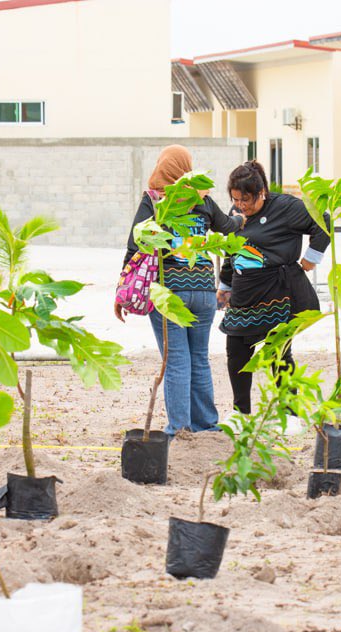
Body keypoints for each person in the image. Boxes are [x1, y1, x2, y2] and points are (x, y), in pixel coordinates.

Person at [115, 145, 243, 436]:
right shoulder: (202, 198)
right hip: (204, 291)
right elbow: (227, 227)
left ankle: (180, 429)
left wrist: (122, 289)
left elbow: (135, 245)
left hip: (169, 292)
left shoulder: (154, 200)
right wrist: (239, 219)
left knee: (176, 361)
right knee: (198, 358)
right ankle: (206, 425)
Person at [218, 160, 329, 428]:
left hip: (277, 291)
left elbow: (324, 221)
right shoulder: (237, 212)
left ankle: (289, 414)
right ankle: (240, 413)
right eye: (235, 200)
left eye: (246, 200)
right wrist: (225, 285)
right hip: (245, 292)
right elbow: (232, 249)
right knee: (236, 350)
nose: (240, 206)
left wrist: (311, 257)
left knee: (278, 352)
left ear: (262, 193)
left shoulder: (286, 207)